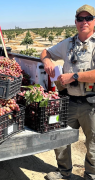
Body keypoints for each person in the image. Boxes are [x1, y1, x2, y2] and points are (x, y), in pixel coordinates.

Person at [41, 4, 95, 180]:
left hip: (91, 104)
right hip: (68, 101)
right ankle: (64, 172)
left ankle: (91, 175)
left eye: (88, 18)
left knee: (93, 144)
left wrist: (75, 76)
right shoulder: (68, 43)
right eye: (80, 19)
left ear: (94, 21)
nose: (84, 22)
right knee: (60, 138)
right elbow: (45, 52)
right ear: (75, 21)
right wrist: (48, 61)